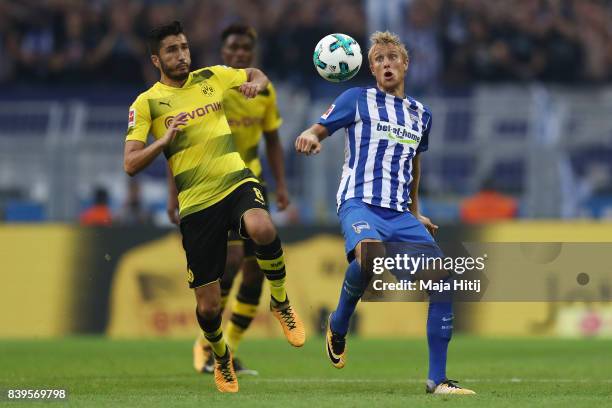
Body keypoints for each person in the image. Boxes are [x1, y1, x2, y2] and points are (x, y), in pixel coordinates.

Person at [123, 21, 304, 393]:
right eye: (172, 50)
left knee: (263, 228)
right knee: (207, 307)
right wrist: (164, 142)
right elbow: (130, 163)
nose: (182, 55)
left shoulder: (214, 77)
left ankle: (282, 303)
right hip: (196, 204)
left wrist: (257, 83)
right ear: (157, 59)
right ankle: (220, 356)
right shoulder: (146, 104)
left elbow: (257, 73)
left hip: (236, 181)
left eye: (185, 47)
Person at [295, 31, 475, 395]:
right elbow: (320, 127)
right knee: (369, 254)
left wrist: (416, 212)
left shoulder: (421, 115)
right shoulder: (356, 99)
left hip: (400, 214)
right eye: (378, 59)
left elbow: (414, 167)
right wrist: (312, 136)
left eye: (392, 57)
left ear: (405, 64)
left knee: (443, 281)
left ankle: (437, 380)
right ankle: (340, 322)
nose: (386, 63)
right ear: (372, 69)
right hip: (359, 203)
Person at [166, 23, 289, 376]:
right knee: (231, 262)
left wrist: (280, 186)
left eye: (244, 50)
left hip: (251, 181)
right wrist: (173, 193)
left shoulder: (264, 92)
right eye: (232, 49)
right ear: (223, 53)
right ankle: (207, 346)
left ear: (251, 54)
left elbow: (273, 139)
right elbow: (177, 145)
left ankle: (228, 352)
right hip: (213, 183)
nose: (238, 55)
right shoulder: (208, 88)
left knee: (255, 274)